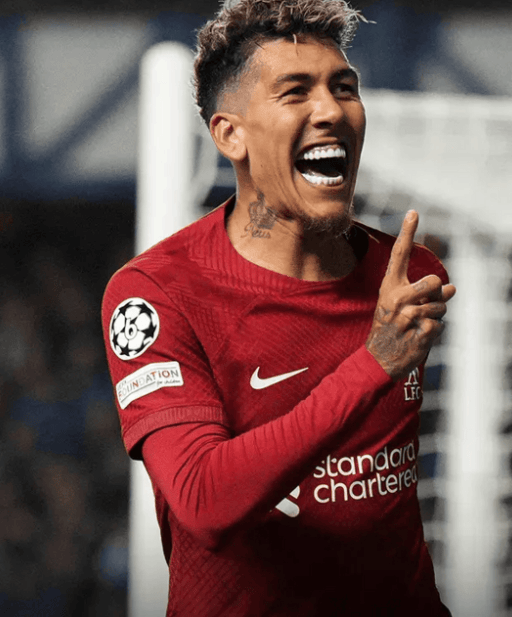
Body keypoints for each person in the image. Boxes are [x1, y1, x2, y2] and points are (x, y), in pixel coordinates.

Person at [102, 0, 456, 614]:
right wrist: (373, 366)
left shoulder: (406, 277)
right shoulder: (156, 295)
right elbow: (204, 502)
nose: (331, 110)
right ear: (230, 134)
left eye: (344, 87)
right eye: (295, 92)